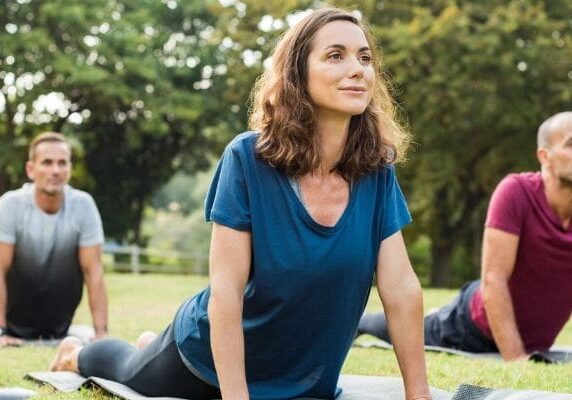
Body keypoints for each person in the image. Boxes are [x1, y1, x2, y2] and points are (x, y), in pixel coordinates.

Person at [49, 8, 432, 400]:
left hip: (302, 374)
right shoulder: (247, 159)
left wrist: (418, 394)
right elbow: (227, 291)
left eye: (364, 58)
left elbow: (400, 286)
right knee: (126, 369)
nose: (358, 69)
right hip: (208, 365)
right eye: (336, 55)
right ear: (298, 74)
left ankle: (149, 341)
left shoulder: (375, 170)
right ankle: (75, 353)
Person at [358, 111, 572, 362]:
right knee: (412, 331)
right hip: (470, 326)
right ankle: (362, 322)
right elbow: (494, 279)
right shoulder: (516, 192)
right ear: (544, 156)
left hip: (535, 341)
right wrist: (516, 359)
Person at [0, 132, 108, 347]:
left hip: (60, 329)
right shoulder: (10, 205)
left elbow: (93, 271)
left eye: (62, 163)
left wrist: (101, 333)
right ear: (31, 169)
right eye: (47, 163)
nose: (55, 171)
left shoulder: (83, 205)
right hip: (12, 326)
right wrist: (1, 332)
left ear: (69, 169)